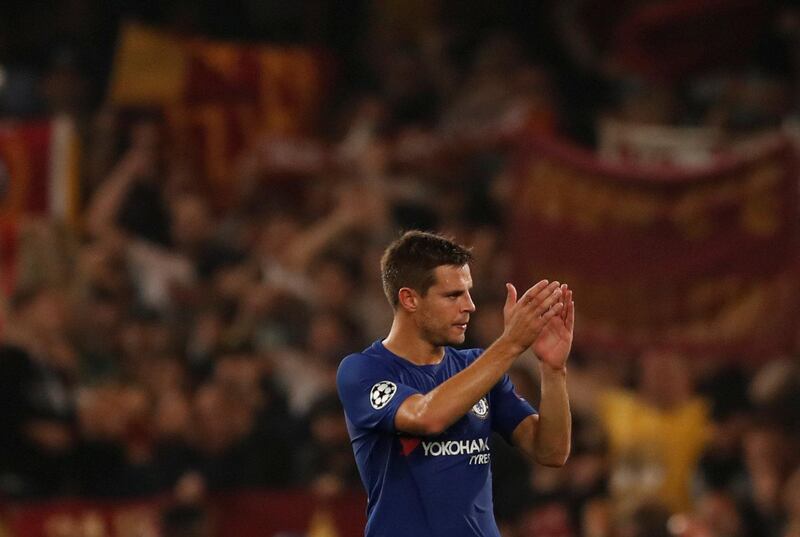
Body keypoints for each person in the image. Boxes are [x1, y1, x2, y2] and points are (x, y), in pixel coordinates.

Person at [336, 230, 574, 537]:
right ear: (409, 299)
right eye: (453, 296)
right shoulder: (362, 371)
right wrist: (510, 344)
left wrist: (553, 370)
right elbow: (426, 417)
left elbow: (551, 452)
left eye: (468, 292)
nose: (470, 306)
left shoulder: (478, 367)